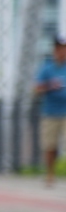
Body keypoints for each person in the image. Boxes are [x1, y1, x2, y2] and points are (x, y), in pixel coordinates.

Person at [34, 35, 66, 187]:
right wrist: (49, 85)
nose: (62, 51)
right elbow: (36, 89)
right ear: (55, 50)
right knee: (50, 145)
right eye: (59, 48)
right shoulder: (47, 67)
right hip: (50, 112)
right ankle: (50, 174)